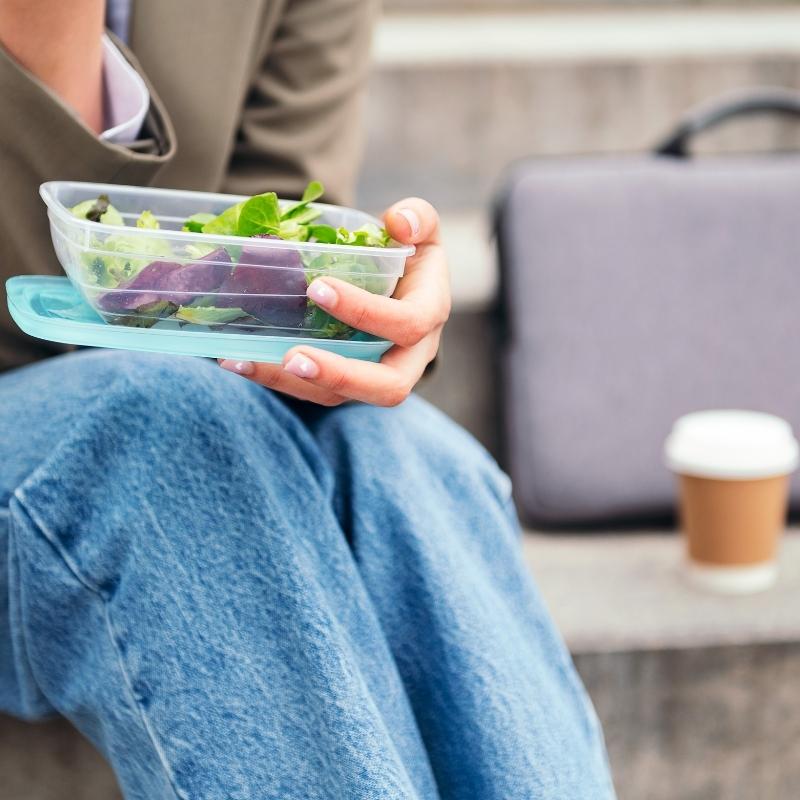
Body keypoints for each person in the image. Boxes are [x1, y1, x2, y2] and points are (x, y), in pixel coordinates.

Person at [0, 1, 615, 798]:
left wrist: (366, 306)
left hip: (180, 404)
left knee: (402, 453)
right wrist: (50, 49)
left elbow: (264, 251)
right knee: (154, 430)